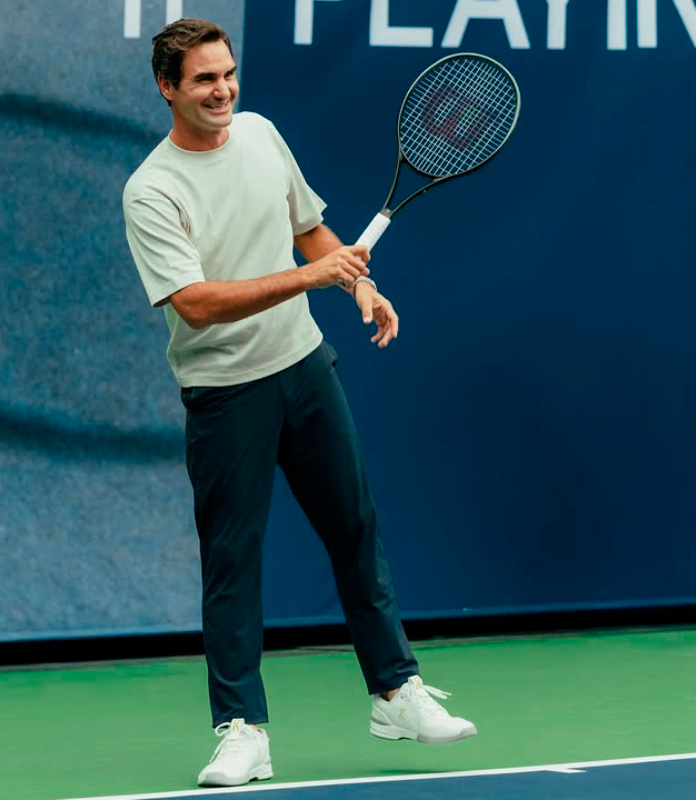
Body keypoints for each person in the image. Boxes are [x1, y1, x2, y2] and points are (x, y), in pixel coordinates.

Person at [122, 18, 476, 788]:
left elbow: (310, 230)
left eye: (228, 73)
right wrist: (313, 278)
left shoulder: (260, 134)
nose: (222, 90)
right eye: (204, 79)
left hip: (304, 367)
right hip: (225, 393)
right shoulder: (151, 189)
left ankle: (396, 692)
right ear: (167, 88)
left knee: (355, 529)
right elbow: (197, 305)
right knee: (233, 563)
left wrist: (359, 285)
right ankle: (242, 731)